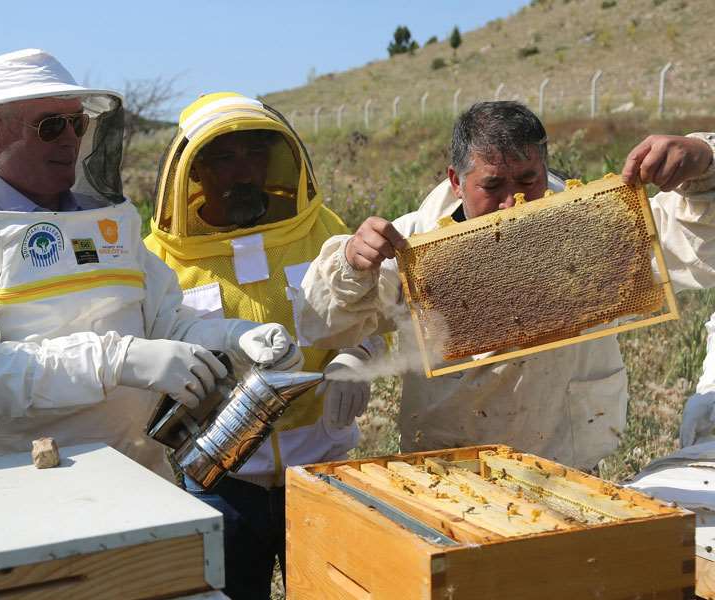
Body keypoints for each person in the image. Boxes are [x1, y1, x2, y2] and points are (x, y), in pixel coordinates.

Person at [0, 50, 302, 481]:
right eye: (50, 125)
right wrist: (116, 360)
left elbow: (166, 323)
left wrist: (234, 337)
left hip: (137, 476)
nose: (69, 139)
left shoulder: (107, 219)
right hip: (15, 485)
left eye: (77, 123)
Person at [297, 100, 715, 471]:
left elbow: (696, 240)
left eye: (527, 180)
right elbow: (321, 324)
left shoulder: (592, 224)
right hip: (453, 465)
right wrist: (351, 265)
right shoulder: (414, 244)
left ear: (544, 169)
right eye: (492, 185)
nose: (511, 201)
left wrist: (705, 163)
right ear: (456, 181)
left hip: (567, 456)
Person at [144, 92, 381, 599]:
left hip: (324, 466)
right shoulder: (162, 259)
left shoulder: (322, 230)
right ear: (195, 170)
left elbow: (376, 317)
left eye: (255, 153)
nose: (243, 171)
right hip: (221, 478)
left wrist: (357, 357)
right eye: (224, 158)